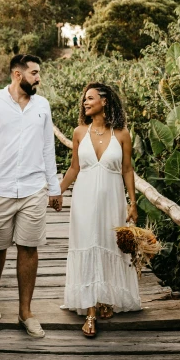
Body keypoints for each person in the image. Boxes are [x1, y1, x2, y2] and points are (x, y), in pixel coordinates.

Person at [0, 54, 63, 339]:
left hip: (34, 189)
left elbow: (48, 149)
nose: (38, 78)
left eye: (39, 73)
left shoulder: (42, 106)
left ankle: (25, 312)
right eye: (34, 73)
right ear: (17, 74)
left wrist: (54, 188)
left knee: (29, 248)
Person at [59, 82, 141, 337]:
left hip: (112, 200)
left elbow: (127, 169)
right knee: (88, 243)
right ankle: (91, 311)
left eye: (90, 98)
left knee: (107, 243)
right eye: (84, 99)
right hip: (83, 200)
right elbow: (74, 168)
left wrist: (133, 202)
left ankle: (105, 298)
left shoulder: (122, 134)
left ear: (105, 101)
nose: (85, 102)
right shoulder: (79, 132)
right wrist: (56, 191)